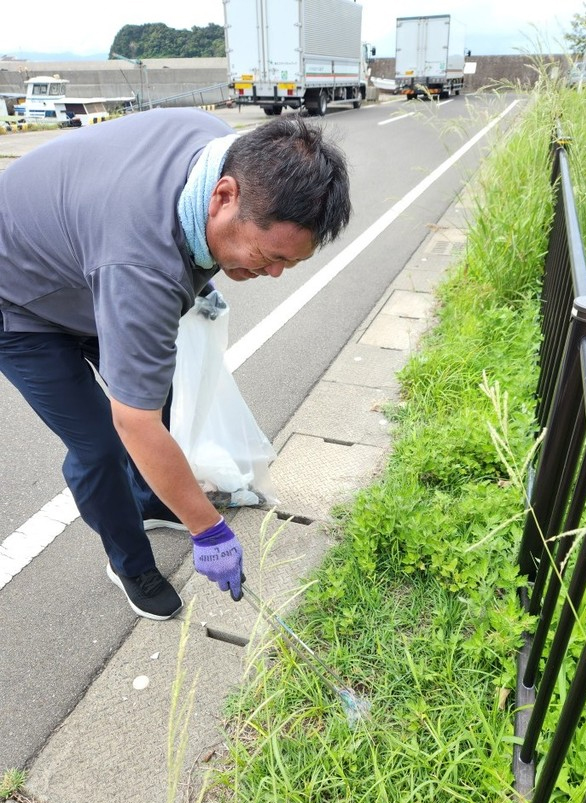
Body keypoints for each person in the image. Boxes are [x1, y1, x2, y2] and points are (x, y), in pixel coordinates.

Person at [0, 107, 351, 621]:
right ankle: (129, 564)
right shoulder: (142, 268)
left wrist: (204, 281)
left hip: (88, 268)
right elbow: (133, 421)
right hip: (20, 301)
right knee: (102, 441)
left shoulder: (220, 147)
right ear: (224, 196)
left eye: (290, 263)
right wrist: (208, 530)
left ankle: (147, 499)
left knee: (155, 390)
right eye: (268, 254)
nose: (274, 273)